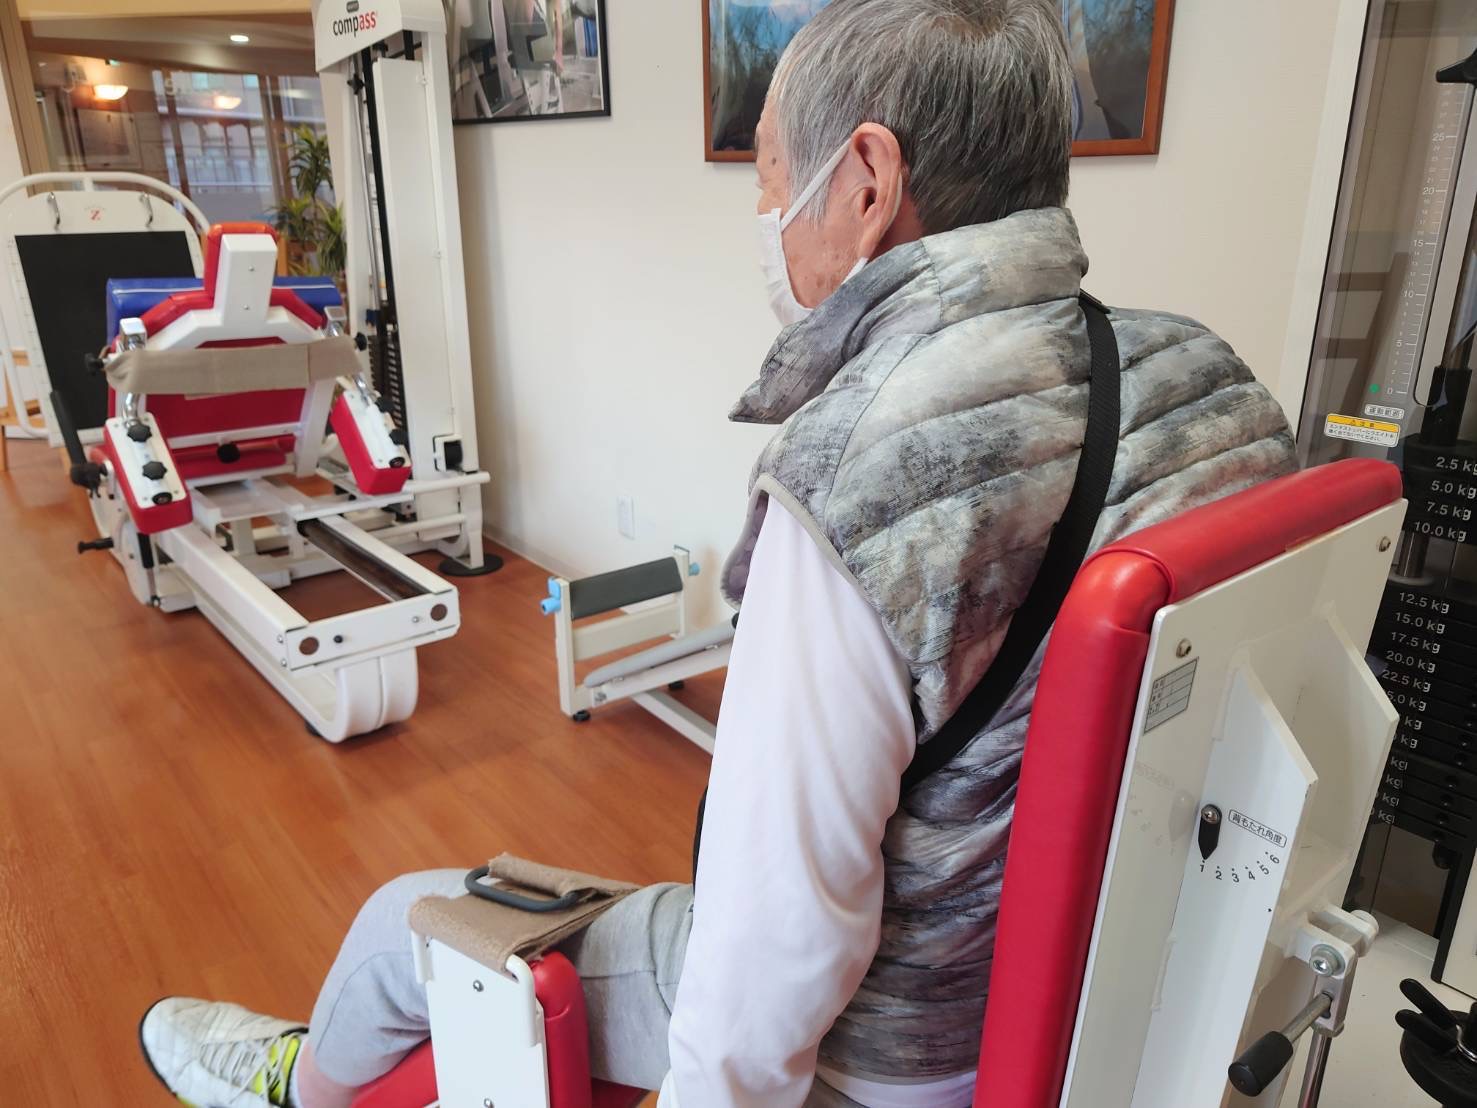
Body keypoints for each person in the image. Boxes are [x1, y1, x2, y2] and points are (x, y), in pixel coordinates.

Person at [138, 1, 1298, 1105]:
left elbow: (772, 954)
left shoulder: (857, 470)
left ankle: (291, 1080)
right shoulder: (1213, 380)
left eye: (769, 177)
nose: (765, 213)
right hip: (1118, 999)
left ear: (867, 182)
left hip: (898, 1044)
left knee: (407, 924)